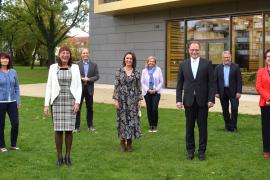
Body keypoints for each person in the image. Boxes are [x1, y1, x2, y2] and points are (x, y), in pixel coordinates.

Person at [176, 41, 215, 160]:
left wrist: (211, 99)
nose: (194, 52)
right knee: (189, 127)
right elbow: (179, 84)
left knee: (202, 128)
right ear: (189, 50)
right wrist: (178, 100)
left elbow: (211, 83)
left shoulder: (207, 63)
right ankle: (190, 151)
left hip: (203, 101)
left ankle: (202, 151)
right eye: (192, 50)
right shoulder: (183, 64)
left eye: (196, 50)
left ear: (199, 50)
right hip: (188, 101)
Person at [44, 46, 82, 166]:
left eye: (67, 53)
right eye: (63, 53)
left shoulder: (75, 67)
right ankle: (59, 156)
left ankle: (68, 156)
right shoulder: (53, 67)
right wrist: (46, 104)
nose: (65, 55)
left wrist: (77, 102)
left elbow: (79, 86)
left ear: (70, 55)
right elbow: (49, 86)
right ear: (59, 55)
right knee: (58, 130)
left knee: (69, 130)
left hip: (71, 101)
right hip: (57, 101)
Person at [112, 52, 142, 152]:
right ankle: (122, 142)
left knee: (132, 121)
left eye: (131, 58)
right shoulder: (119, 71)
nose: (129, 60)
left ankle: (129, 143)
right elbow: (116, 86)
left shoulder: (137, 72)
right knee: (122, 121)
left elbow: (139, 87)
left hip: (133, 100)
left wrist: (139, 100)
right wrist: (116, 100)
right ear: (124, 59)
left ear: (133, 61)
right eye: (127, 58)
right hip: (122, 99)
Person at [214, 51, 242, 132]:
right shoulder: (218, 68)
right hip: (222, 92)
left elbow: (239, 80)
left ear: (230, 57)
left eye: (228, 57)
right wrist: (216, 92)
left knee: (234, 108)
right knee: (225, 110)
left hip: (233, 91)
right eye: (225, 57)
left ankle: (233, 126)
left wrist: (239, 91)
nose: (226, 59)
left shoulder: (236, 67)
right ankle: (227, 126)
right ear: (222, 58)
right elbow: (215, 81)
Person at [0, 52, 21, 153]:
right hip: (1, 102)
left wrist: (18, 100)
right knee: (1, 124)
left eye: (7, 58)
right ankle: (1, 146)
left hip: (12, 101)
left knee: (15, 123)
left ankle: (13, 145)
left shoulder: (13, 72)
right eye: (3, 58)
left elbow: (17, 87)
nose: (5, 60)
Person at [75, 48, 99, 133]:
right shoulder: (76, 65)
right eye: (83, 53)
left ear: (89, 54)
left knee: (90, 108)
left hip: (89, 89)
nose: (85, 54)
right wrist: (81, 78)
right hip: (79, 90)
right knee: (77, 108)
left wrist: (89, 79)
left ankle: (90, 125)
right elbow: (74, 76)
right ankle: (76, 127)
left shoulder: (94, 65)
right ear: (81, 54)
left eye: (87, 53)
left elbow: (97, 76)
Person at [141, 56, 163, 132]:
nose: (151, 62)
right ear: (147, 62)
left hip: (156, 92)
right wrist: (147, 90)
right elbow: (142, 82)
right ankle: (151, 126)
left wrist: (156, 89)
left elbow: (161, 81)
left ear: (155, 63)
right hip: (147, 93)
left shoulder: (158, 70)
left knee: (154, 109)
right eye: (150, 61)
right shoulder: (144, 71)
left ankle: (155, 125)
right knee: (149, 109)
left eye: (153, 61)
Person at [256, 49, 270, 159]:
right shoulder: (261, 71)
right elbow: (258, 87)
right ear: (265, 59)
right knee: (266, 127)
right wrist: (269, 97)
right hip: (265, 104)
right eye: (268, 56)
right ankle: (266, 150)